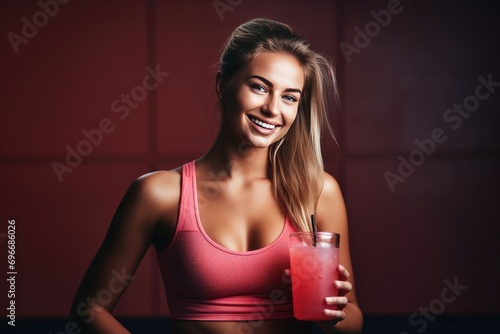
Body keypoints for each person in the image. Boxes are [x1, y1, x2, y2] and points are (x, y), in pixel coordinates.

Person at [70, 18, 363, 333]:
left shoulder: (318, 191)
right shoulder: (160, 194)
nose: (272, 108)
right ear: (223, 84)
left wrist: (329, 315)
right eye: (260, 87)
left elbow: (353, 321)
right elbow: (89, 309)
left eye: (289, 97)